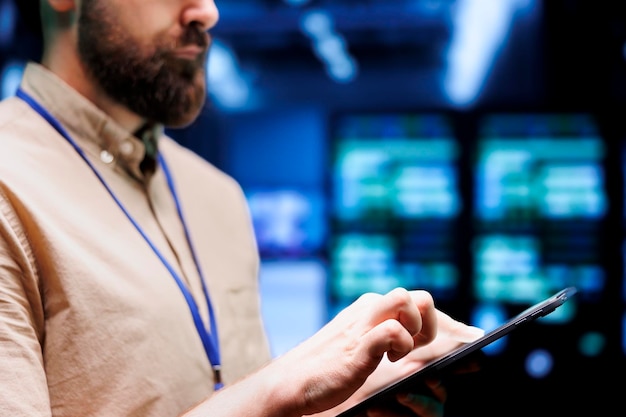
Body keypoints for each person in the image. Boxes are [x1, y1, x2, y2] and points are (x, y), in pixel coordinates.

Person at [0, 0, 484, 416]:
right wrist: (278, 390)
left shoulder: (218, 196)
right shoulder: (10, 186)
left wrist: (338, 403)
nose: (208, 11)